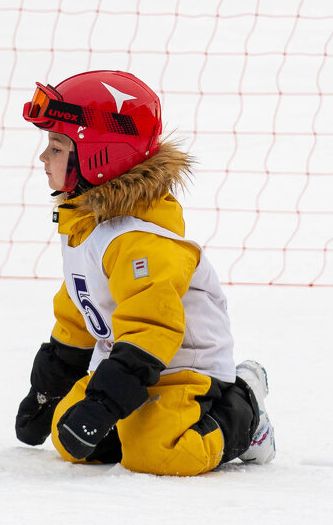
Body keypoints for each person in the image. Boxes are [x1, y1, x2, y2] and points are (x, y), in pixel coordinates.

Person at [15, 70, 275, 476]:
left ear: (100, 154)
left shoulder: (142, 242)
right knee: (76, 442)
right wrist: (48, 390)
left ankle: (246, 408)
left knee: (159, 454)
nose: (43, 158)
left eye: (56, 146)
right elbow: (78, 311)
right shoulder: (84, 225)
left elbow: (152, 330)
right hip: (126, 362)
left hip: (181, 368)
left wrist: (103, 404)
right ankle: (125, 410)